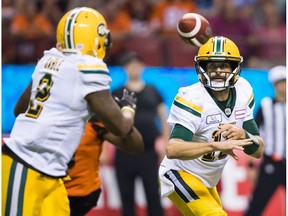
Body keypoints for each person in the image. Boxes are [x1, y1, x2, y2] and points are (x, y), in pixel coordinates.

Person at [2, 7, 140, 216]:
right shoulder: (89, 66)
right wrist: (129, 108)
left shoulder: (49, 58)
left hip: (52, 173)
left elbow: (19, 109)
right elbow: (121, 127)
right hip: (25, 164)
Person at [158, 36, 264, 216]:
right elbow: (172, 148)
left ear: (234, 68)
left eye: (223, 65)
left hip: (207, 181)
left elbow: (258, 150)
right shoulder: (192, 97)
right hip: (179, 173)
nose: (218, 71)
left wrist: (243, 135)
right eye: (212, 66)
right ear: (202, 68)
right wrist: (215, 145)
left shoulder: (243, 91)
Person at [112, 52, 170, 216]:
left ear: (142, 67)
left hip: (148, 151)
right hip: (124, 151)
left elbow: (163, 118)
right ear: (125, 68)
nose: (134, 68)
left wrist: (165, 143)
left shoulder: (152, 91)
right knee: (126, 195)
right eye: (130, 65)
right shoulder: (117, 92)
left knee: (152, 193)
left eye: (137, 64)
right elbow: (109, 122)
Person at [65, 110, 144, 216]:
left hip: (80, 191)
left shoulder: (94, 119)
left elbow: (135, 146)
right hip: (51, 186)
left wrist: (126, 116)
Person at [244, 65, 286, 216]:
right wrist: (250, 165)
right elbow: (253, 135)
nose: (284, 85)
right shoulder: (266, 105)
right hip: (272, 163)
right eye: (281, 82)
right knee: (256, 205)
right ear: (274, 85)